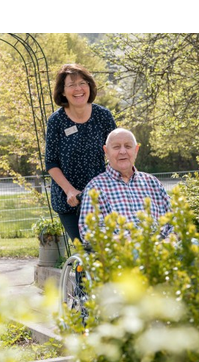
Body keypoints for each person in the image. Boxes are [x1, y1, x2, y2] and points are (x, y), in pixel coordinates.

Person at [45, 63, 117, 243]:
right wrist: (70, 191)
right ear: (62, 91)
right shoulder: (56, 121)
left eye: (82, 83)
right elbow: (51, 163)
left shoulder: (103, 116)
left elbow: (117, 151)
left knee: (108, 248)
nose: (78, 89)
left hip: (101, 198)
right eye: (71, 85)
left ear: (90, 86)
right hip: (69, 201)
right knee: (87, 250)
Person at [78, 128, 173, 243]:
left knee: (195, 245)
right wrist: (126, 241)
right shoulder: (95, 188)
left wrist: (169, 241)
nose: (123, 151)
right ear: (106, 151)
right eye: (116, 147)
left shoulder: (152, 182)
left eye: (128, 146)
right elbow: (89, 233)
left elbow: (175, 219)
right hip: (124, 253)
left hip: (163, 248)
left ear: (136, 150)